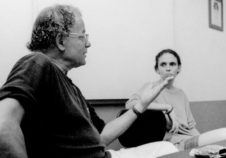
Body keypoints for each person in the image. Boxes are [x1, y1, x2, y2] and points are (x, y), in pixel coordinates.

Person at [0, 4, 178, 158]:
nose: (88, 43)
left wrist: (142, 105)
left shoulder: (72, 89)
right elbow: (3, 125)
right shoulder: (37, 63)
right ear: (61, 41)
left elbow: (102, 137)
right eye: (82, 36)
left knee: (168, 149)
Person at [126, 49, 226, 150]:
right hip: (169, 142)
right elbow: (130, 104)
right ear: (157, 69)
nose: (168, 68)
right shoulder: (150, 88)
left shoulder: (181, 94)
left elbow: (191, 127)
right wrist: (167, 107)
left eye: (172, 64)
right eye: (163, 64)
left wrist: (203, 143)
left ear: (179, 68)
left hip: (188, 139)